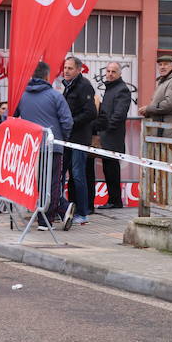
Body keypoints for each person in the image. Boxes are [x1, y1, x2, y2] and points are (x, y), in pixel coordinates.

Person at [14, 60, 74, 229]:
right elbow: (67, 121)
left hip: (31, 147)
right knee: (53, 182)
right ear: (47, 76)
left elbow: (12, 115)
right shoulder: (56, 95)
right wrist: (63, 138)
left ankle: (61, 209)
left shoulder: (22, 95)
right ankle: (47, 219)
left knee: (39, 183)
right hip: (52, 147)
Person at [62, 56, 97, 225]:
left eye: (70, 68)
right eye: (65, 68)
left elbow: (91, 112)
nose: (66, 71)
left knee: (78, 175)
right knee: (61, 174)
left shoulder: (84, 86)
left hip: (79, 138)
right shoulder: (67, 86)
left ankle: (83, 213)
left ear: (78, 70)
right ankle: (63, 208)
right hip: (67, 138)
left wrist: (71, 122)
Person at [97, 62, 132, 209]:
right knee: (108, 168)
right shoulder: (111, 88)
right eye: (108, 71)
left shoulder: (122, 90)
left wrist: (106, 129)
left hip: (113, 136)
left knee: (112, 169)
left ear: (119, 74)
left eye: (113, 72)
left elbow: (118, 115)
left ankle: (115, 200)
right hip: (107, 135)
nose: (110, 74)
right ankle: (113, 200)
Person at [139, 54, 172, 138]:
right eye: (160, 65)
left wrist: (148, 109)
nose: (162, 67)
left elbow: (170, 104)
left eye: (166, 64)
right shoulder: (163, 82)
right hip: (163, 130)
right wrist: (148, 112)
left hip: (170, 132)